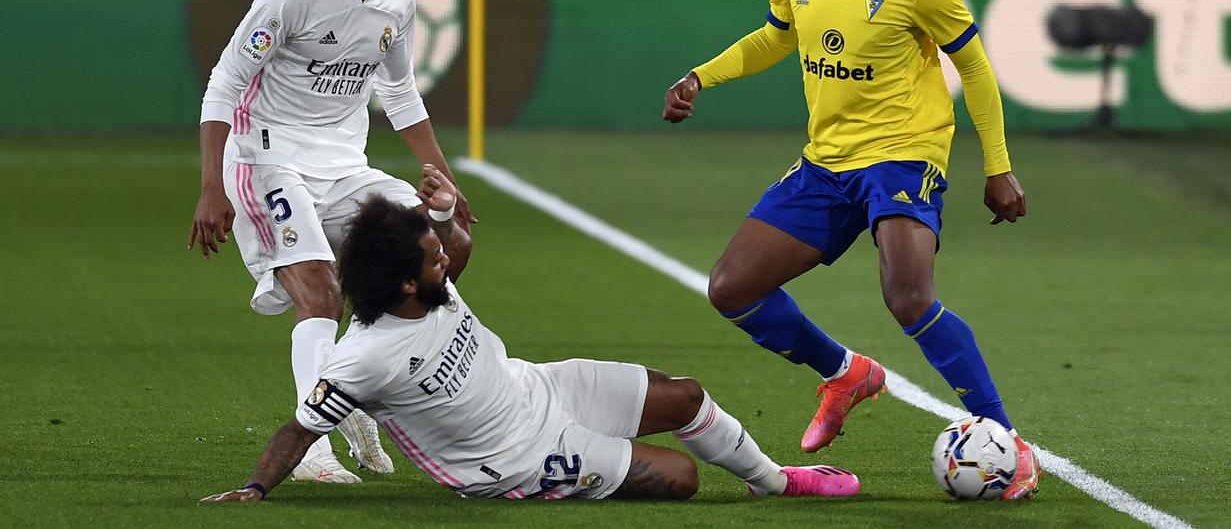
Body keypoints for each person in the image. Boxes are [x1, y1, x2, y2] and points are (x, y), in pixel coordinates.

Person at [661, 0, 1040, 501]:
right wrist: (701, 76)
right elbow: (776, 36)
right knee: (730, 288)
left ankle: (1006, 442)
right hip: (825, 162)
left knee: (907, 295)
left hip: (902, 155)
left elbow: (974, 67)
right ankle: (843, 373)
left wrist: (998, 168)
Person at [202, 191, 863, 503]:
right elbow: (298, 429)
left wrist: (438, 212)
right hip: (512, 459)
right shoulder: (362, 357)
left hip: (536, 387)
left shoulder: (426, 286)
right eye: (432, 258)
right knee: (680, 478)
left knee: (685, 395)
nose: (445, 259)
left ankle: (775, 483)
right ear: (404, 283)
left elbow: (456, 246)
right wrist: (256, 488)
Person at [188, 0, 475, 484]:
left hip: (344, 166)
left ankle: (364, 391)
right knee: (319, 292)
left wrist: (446, 180)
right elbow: (225, 81)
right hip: (266, 158)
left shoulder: (398, 0)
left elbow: (399, 93)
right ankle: (312, 444)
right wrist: (212, 186)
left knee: (441, 245)